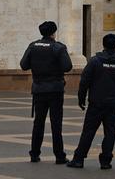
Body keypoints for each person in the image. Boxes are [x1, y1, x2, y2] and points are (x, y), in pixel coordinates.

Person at [68, 34, 115, 170]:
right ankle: (106, 161)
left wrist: (81, 98)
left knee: (88, 131)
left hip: (96, 103)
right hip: (114, 104)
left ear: (103, 44)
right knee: (110, 133)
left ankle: (79, 159)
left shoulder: (95, 61)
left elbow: (84, 81)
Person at [20, 21, 73, 164]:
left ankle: (34, 154)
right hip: (55, 89)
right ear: (54, 32)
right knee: (56, 124)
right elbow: (67, 67)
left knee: (38, 122)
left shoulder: (33, 46)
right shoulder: (58, 47)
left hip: (39, 89)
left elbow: (23, 65)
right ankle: (59, 156)